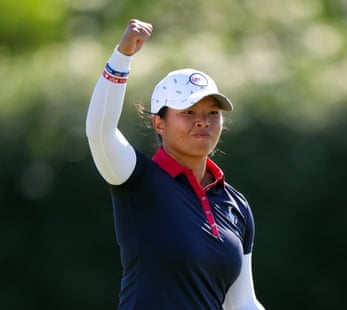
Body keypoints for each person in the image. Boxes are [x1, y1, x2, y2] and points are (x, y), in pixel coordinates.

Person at [86, 18, 265, 309]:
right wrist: (122, 56)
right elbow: (99, 131)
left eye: (213, 112)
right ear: (159, 123)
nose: (202, 121)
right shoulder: (138, 180)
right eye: (189, 111)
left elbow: (241, 302)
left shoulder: (235, 204)